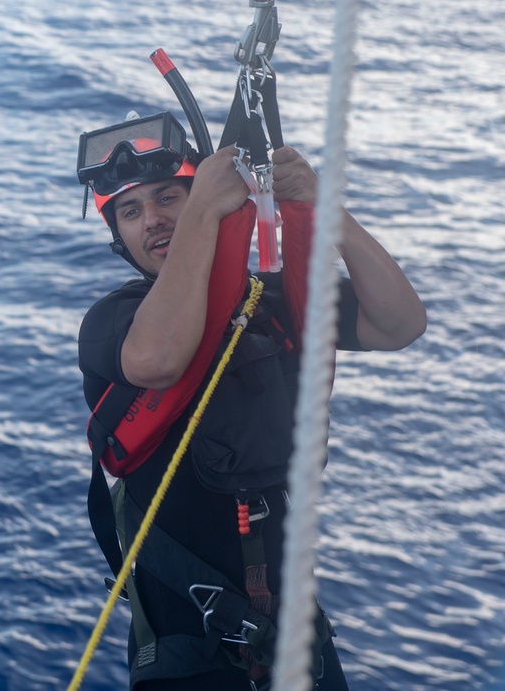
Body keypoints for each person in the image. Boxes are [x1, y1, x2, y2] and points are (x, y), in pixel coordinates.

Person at [76, 113, 427, 690]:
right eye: (131, 212)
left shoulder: (266, 305)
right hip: (192, 653)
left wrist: (324, 207)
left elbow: (399, 324)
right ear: (119, 236)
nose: (154, 220)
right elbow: (159, 360)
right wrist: (204, 214)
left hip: (296, 638)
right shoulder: (114, 321)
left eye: (169, 198)